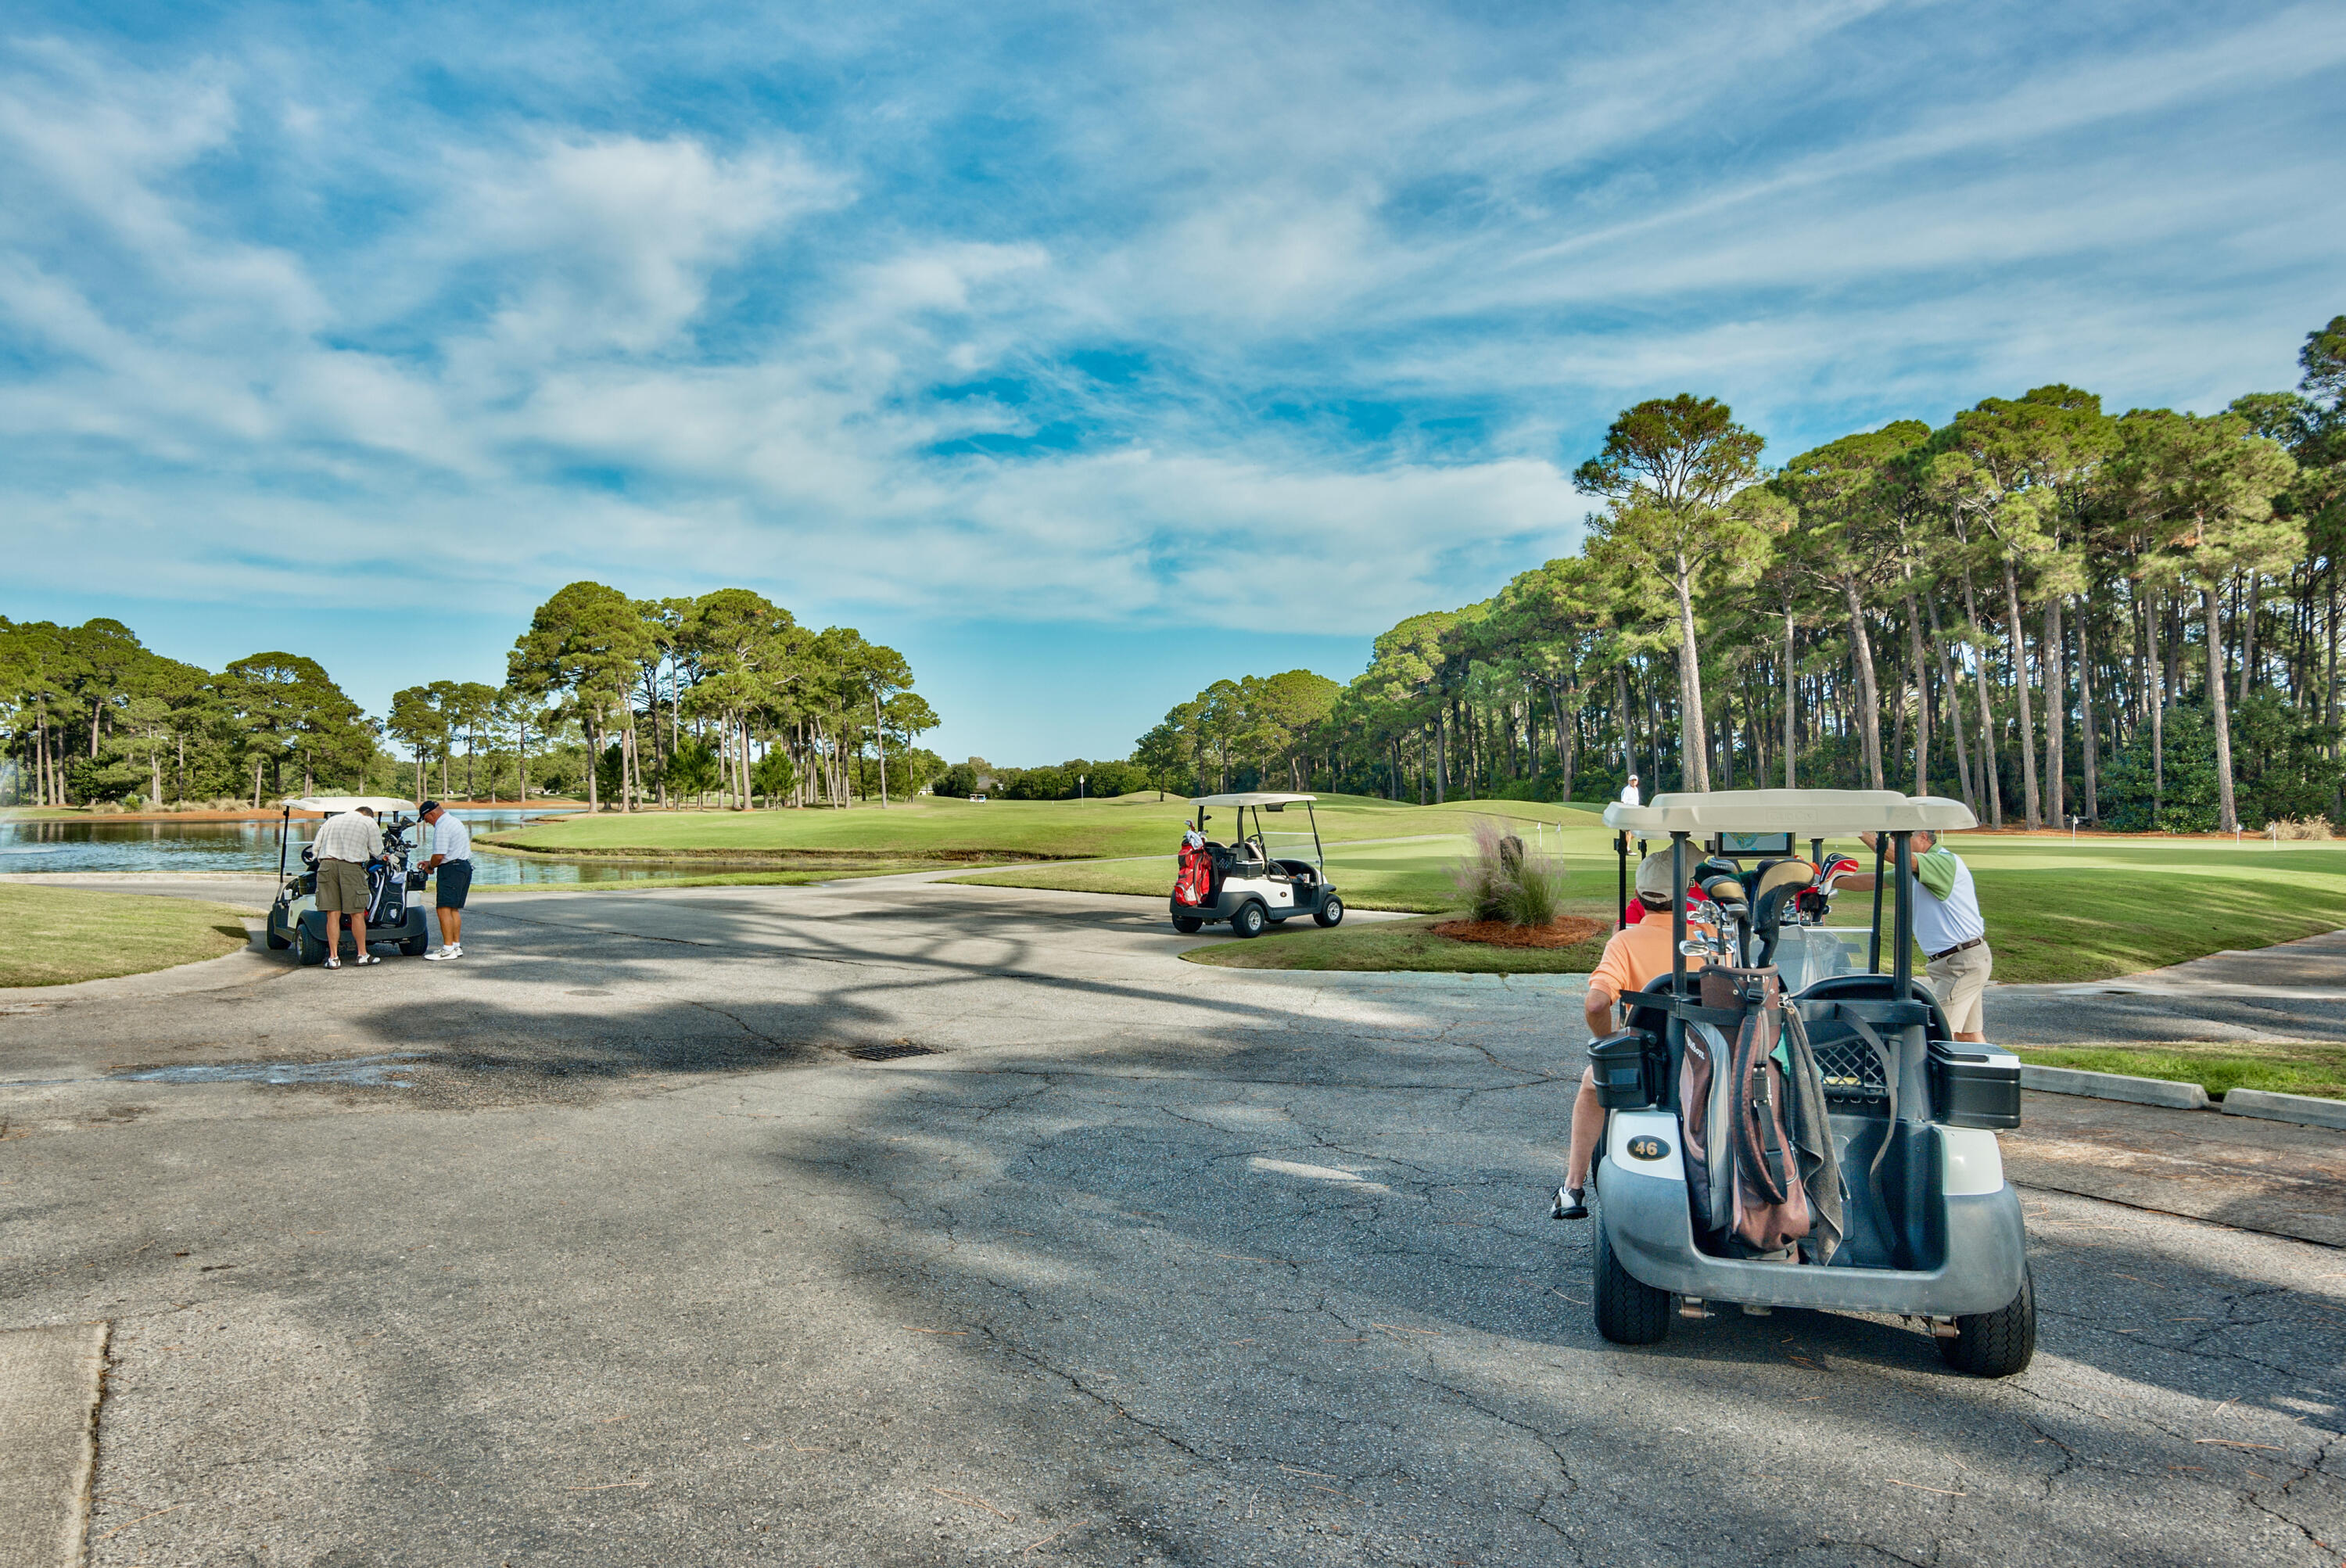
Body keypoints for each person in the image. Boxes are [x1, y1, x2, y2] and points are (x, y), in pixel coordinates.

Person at [1556, 850, 1709, 1219]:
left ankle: (1572, 1188)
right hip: (1708, 1062)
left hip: (1648, 1066)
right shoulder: (1712, 937)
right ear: (1687, 892)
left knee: (1592, 1083)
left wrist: (1610, 1044)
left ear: (1639, 897)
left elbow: (1595, 1004)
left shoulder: (1624, 942)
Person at [1851, 829, 1989, 1042]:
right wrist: (1823, 881)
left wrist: (1859, 829)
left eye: (1901, 839)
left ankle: (1924, 1077)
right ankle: (1989, 1075)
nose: (1897, 844)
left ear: (1923, 836)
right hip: (1958, 961)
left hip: (1961, 964)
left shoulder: (1941, 862)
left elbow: (1894, 857)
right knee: (1967, 1035)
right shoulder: (1918, 868)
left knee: (1932, 1034)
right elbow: (1870, 881)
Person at [310, 805, 385, 970]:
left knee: (332, 913)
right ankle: (362, 955)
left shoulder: (332, 820)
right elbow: (378, 850)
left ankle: (334, 958)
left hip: (326, 866)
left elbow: (315, 849)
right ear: (368, 815)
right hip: (351, 867)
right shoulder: (368, 822)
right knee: (357, 913)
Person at [415, 801, 472, 961]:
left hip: (451, 869)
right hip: (462, 866)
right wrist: (431, 862)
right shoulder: (453, 821)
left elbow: (439, 855)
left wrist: (431, 866)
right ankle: (455, 946)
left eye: (426, 819)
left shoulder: (442, 826)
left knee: (443, 908)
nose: (427, 823)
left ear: (432, 814)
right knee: (453, 909)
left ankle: (447, 949)